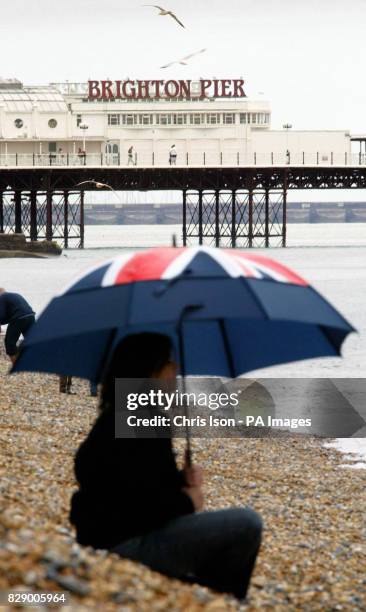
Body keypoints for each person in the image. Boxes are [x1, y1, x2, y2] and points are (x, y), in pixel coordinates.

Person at [70, 332, 262, 600]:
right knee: (247, 523)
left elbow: (134, 484)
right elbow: (145, 509)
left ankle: (207, 592)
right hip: (126, 546)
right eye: (169, 362)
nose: (176, 369)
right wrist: (188, 500)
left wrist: (179, 479)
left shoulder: (118, 414)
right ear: (150, 370)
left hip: (100, 540)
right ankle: (224, 599)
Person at [0, 289, 35, 364]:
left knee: (9, 343)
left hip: (19, 318)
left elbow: (1, 316)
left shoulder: (1, 298)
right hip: (31, 316)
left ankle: (16, 366)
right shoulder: (13, 295)